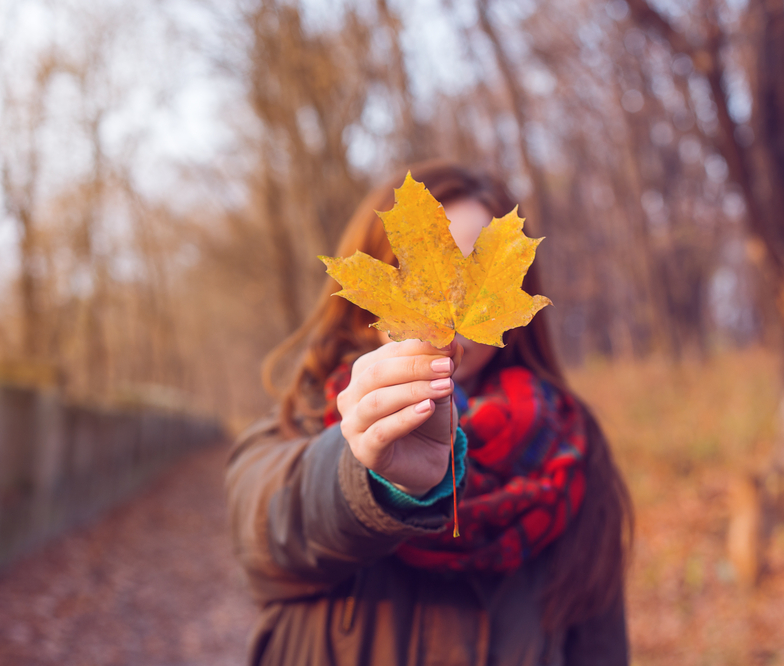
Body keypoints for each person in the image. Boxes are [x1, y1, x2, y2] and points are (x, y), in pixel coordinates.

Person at [226, 160, 633, 665]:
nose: (445, 310)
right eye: (413, 273)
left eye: (473, 272)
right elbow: (267, 536)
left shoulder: (570, 450)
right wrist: (371, 475)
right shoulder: (308, 416)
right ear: (370, 292)